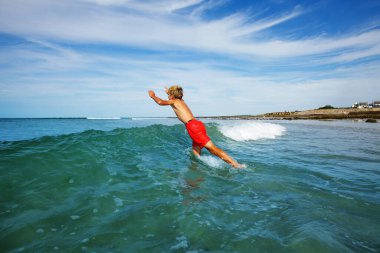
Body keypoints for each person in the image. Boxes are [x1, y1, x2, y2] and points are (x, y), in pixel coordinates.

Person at [148, 85, 245, 168]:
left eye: (169, 94)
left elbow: (160, 102)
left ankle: (235, 165)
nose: (168, 96)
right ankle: (196, 168)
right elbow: (173, 97)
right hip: (196, 124)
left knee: (212, 148)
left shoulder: (174, 102)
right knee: (195, 151)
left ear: (172, 95)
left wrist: (153, 96)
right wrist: (168, 92)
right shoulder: (181, 101)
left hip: (193, 126)